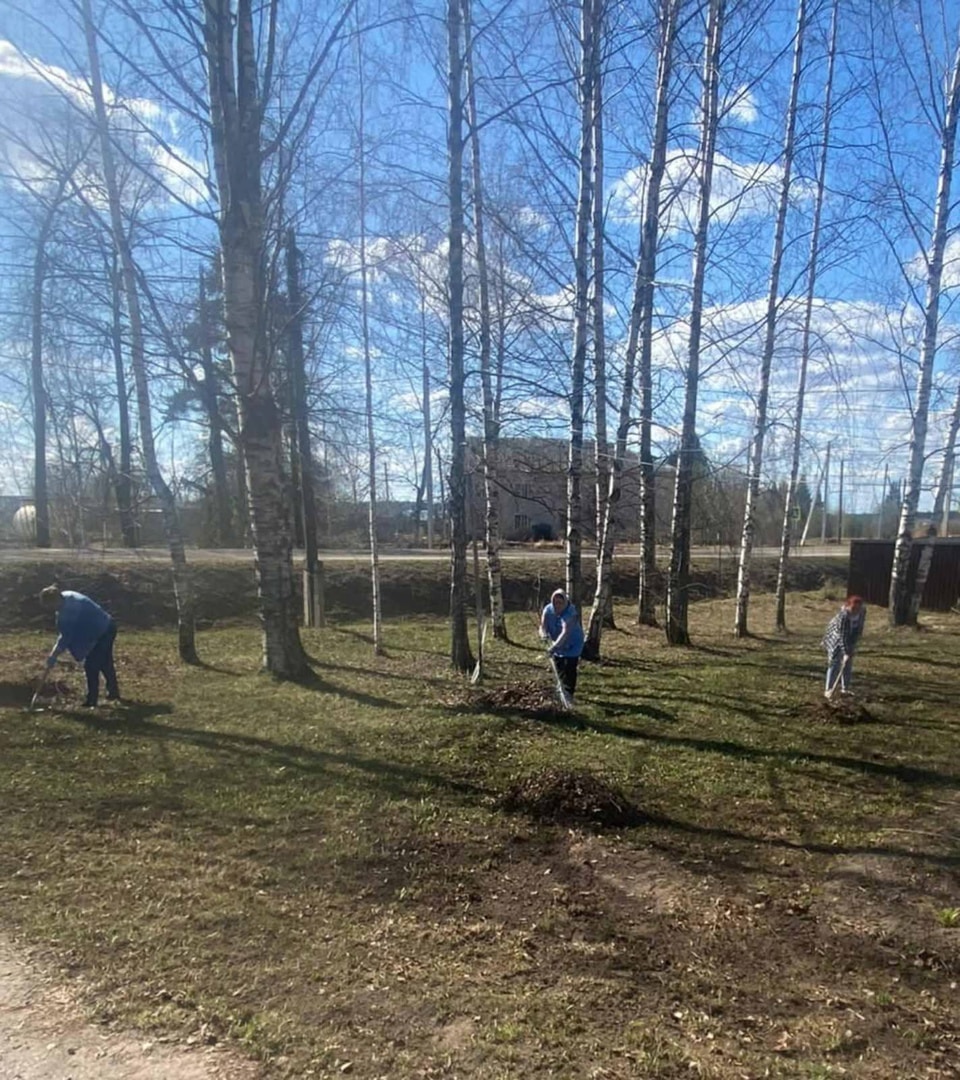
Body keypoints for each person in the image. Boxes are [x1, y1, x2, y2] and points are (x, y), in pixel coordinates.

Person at [41, 585, 120, 708]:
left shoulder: (70, 609)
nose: (50, 609)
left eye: (50, 605)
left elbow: (66, 637)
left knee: (91, 665)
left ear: (55, 600)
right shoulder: (66, 597)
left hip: (105, 630)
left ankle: (91, 701)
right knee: (104, 662)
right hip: (104, 626)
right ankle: (113, 693)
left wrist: (54, 655)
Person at [539, 588, 585, 703]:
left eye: (560, 603)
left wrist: (554, 647)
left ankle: (569, 694)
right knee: (558, 666)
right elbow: (543, 626)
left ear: (565, 602)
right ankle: (561, 691)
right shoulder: (548, 610)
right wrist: (543, 634)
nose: (557, 605)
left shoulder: (571, 613)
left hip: (573, 643)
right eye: (555, 602)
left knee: (569, 668)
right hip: (556, 642)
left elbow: (566, 632)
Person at [821, 594, 866, 698]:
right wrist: (845, 652)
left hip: (850, 636)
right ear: (848, 606)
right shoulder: (843, 616)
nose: (856, 611)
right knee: (835, 663)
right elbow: (842, 636)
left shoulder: (862, 612)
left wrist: (852, 646)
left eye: (858, 608)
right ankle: (828, 689)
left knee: (848, 663)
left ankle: (845, 688)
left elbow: (859, 629)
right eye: (854, 608)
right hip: (835, 638)